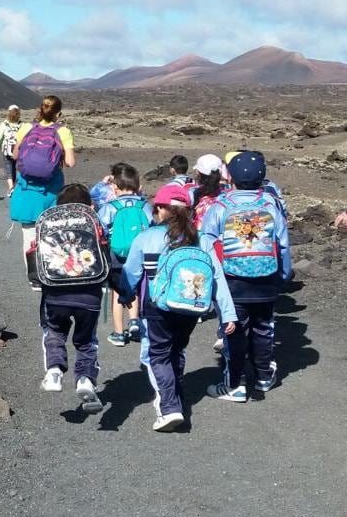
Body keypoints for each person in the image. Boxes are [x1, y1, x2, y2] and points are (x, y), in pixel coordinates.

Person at [120, 184, 237, 432]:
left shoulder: (146, 238)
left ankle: (170, 406)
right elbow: (217, 279)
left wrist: (126, 295)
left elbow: (130, 273)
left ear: (161, 209)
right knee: (177, 350)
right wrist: (227, 313)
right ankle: (176, 394)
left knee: (158, 354)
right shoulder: (201, 239)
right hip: (191, 307)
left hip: (157, 306)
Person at [199, 151, 292, 401]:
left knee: (233, 330)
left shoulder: (220, 206)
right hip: (266, 278)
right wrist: (282, 275)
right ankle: (263, 377)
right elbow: (282, 244)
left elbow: (206, 242)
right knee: (264, 329)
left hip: (231, 280)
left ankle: (235, 383)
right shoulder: (271, 204)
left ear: (230, 177)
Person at [35, 183, 105, 412]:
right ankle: (85, 379)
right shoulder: (94, 222)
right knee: (86, 341)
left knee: (54, 331)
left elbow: (35, 259)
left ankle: (54, 371)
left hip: (56, 293)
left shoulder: (49, 222)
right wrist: (121, 289)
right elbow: (107, 256)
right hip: (90, 295)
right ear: (90, 205)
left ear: (58, 205)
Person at [10, 95, 76, 264]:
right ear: (58, 114)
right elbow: (70, 162)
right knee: (51, 235)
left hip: (26, 190)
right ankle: (49, 272)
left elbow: (15, 155)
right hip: (51, 191)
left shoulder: (25, 127)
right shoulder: (63, 131)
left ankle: (33, 276)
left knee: (29, 237)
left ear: (40, 110)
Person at [97, 164, 152, 347]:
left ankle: (119, 333)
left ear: (115, 187)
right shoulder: (144, 205)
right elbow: (151, 225)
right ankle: (135, 321)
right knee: (135, 287)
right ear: (138, 186)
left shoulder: (110, 207)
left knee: (117, 293)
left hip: (116, 256)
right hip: (139, 254)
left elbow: (101, 229)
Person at [0, 104, 22, 197]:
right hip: (19, 151)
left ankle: (11, 188)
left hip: (6, 151)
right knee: (18, 169)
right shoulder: (22, 125)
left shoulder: (4, 124)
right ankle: (18, 187)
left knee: (9, 170)